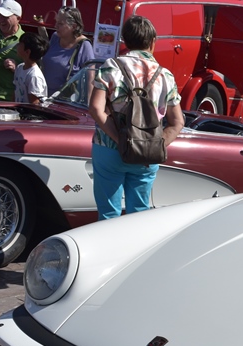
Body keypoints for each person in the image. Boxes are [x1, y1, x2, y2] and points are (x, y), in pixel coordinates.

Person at [88, 15, 184, 220]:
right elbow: (177, 122)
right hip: (147, 155)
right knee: (139, 215)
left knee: (108, 215)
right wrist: (155, 145)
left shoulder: (111, 66)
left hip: (109, 148)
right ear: (153, 42)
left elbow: (96, 108)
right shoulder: (165, 75)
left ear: (124, 41)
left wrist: (120, 139)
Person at [43, 6, 95, 94]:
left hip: (65, 99)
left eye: (60, 24)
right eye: (56, 22)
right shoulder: (55, 37)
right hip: (44, 96)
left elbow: (90, 77)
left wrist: (89, 101)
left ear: (73, 26)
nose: (56, 26)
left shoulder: (84, 45)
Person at [13, 32, 48, 105]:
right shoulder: (20, 67)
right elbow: (15, 91)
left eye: (20, 44)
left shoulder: (34, 76)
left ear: (27, 52)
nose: (17, 45)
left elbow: (34, 103)